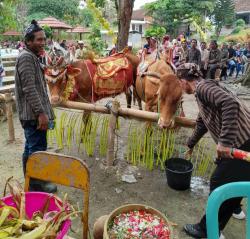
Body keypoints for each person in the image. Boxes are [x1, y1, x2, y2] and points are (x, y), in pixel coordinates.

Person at [176, 63, 250, 239]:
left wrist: (223, 142)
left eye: (179, 82)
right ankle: (235, 209)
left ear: (183, 81)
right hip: (243, 142)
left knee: (219, 183)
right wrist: (190, 143)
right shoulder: (205, 90)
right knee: (233, 180)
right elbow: (203, 122)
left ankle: (207, 229)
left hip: (242, 143)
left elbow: (230, 104)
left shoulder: (203, 89)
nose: (180, 86)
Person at [15, 20, 57, 193]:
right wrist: (41, 113)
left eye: (44, 39)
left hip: (34, 114)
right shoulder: (26, 58)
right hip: (33, 115)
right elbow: (29, 89)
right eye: (38, 40)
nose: (42, 42)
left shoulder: (32, 57)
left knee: (31, 147)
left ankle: (30, 179)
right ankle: (36, 184)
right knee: (37, 149)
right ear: (28, 41)